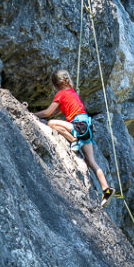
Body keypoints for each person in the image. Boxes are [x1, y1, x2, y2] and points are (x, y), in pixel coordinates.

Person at [34, 70, 114, 207]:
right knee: (91, 162)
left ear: (54, 85)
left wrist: (31, 113)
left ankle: (73, 140)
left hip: (78, 126)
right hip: (87, 127)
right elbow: (58, 111)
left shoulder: (60, 94)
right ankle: (106, 190)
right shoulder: (72, 93)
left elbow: (48, 113)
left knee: (52, 123)